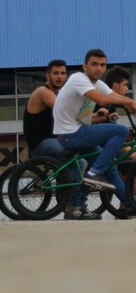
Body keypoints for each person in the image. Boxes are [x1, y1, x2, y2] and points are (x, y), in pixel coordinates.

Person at [53, 49, 136, 213]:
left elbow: (114, 96)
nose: (99, 69)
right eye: (94, 64)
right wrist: (131, 103)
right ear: (84, 66)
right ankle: (93, 174)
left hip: (78, 131)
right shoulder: (78, 79)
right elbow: (102, 99)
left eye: (103, 65)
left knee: (110, 169)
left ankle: (132, 206)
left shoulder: (97, 83)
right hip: (70, 134)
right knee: (120, 131)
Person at [23, 59, 99, 220]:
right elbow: (65, 111)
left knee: (88, 157)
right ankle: (75, 206)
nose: (59, 77)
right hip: (41, 143)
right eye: (56, 73)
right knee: (79, 163)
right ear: (47, 75)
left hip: (56, 141)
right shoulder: (42, 92)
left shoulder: (59, 94)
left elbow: (78, 117)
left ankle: (73, 198)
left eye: (63, 73)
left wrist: (101, 117)